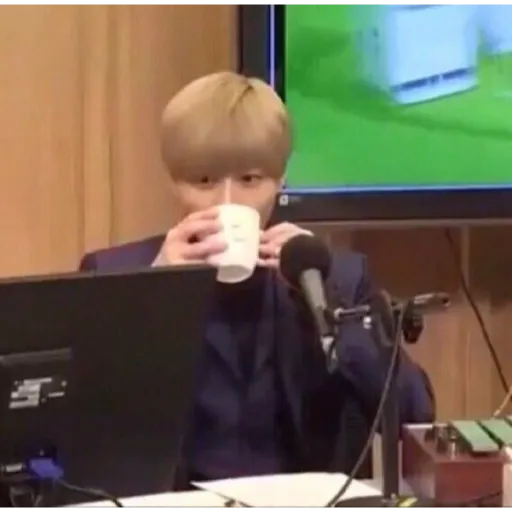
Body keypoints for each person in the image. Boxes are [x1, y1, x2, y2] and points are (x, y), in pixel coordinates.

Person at [79, 71, 435, 488]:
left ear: (280, 180)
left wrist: (325, 298)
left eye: (250, 180)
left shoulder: (336, 278)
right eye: (204, 180)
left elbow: (416, 416)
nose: (227, 201)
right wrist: (155, 296)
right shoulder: (113, 275)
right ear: (174, 183)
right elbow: (76, 433)